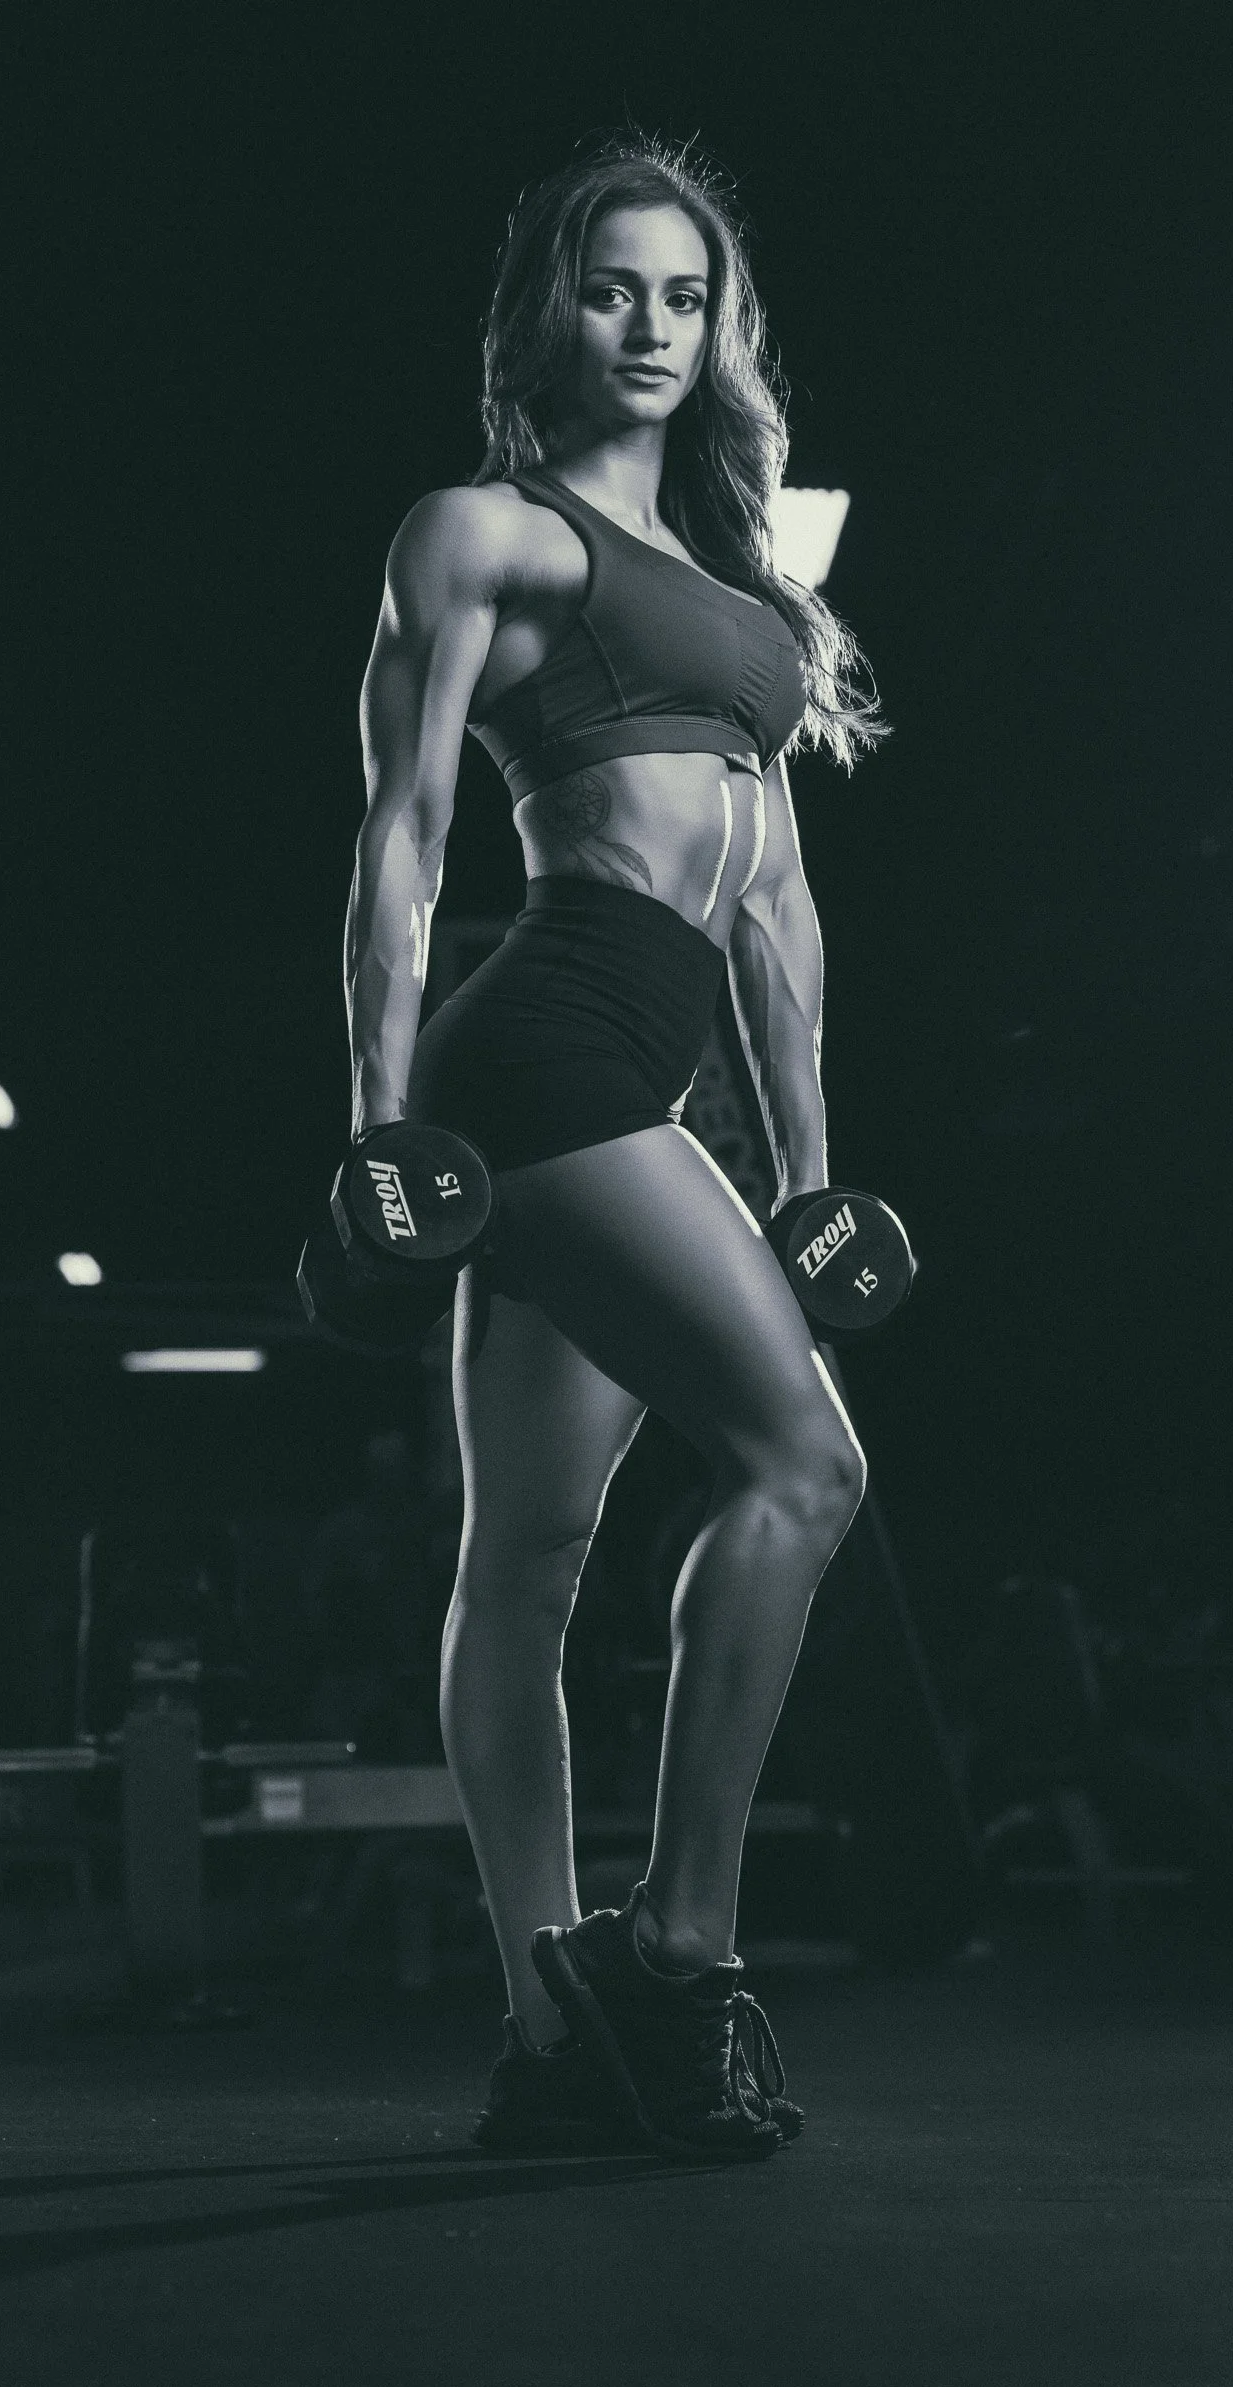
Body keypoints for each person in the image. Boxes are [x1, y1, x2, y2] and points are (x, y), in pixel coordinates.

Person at [343, 134, 885, 2160]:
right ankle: (675, 1953)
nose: (646, 327)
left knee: (533, 1555)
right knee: (803, 1462)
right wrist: (373, 1129)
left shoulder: (754, 585)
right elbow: (398, 836)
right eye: (605, 290)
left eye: (681, 295)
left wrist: (814, 1171)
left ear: (717, 323)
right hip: (544, 1058)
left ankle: (538, 2038)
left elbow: (778, 903)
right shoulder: (491, 534)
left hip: (643, 1089)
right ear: (540, 316)